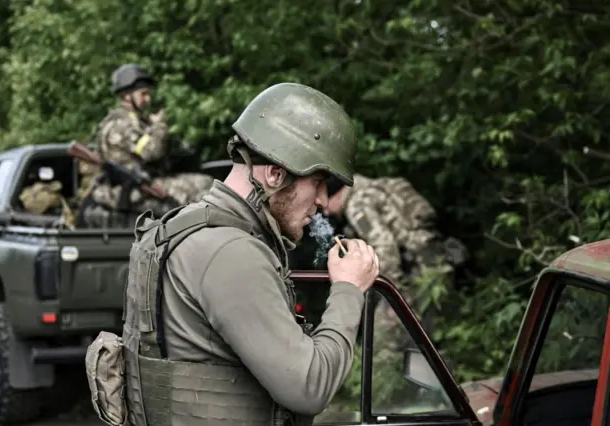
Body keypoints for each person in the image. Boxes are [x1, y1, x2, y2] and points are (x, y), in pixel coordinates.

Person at [85, 82, 380, 426]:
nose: (323, 201)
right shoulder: (232, 253)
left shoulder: (177, 228)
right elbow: (309, 387)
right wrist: (348, 289)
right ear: (274, 174)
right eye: (318, 182)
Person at [323, 174, 468, 335]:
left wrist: (394, 294)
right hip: (435, 261)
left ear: (337, 194)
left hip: (417, 272)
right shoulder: (376, 188)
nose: (326, 212)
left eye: (326, 204)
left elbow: (384, 246)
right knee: (438, 332)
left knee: (384, 341)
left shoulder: (357, 205)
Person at [82, 63, 212, 227]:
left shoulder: (136, 121)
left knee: (206, 183)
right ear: (127, 96)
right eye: (143, 94)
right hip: (129, 191)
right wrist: (159, 126)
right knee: (203, 191)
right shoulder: (121, 124)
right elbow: (152, 151)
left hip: (142, 186)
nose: (148, 99)